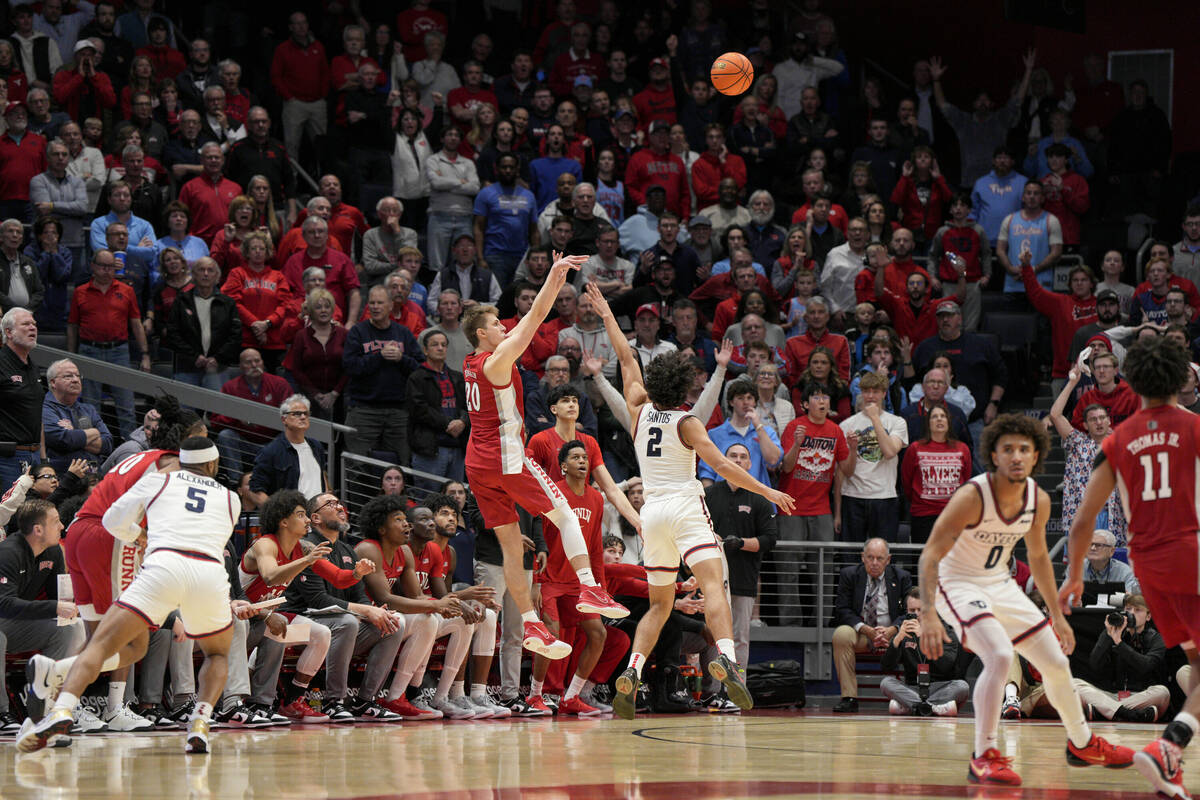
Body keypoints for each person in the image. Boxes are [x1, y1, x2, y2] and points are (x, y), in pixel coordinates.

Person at [586, 281, 795, 719]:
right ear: (683, 385)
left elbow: (626, 358)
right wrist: (768, 489)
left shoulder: (640, 408)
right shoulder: (688, 422)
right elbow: (724, 467)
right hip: (683, 507)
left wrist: (608, 315)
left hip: (653, 512)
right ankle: (729, 662)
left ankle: (636, 669)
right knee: (715, 583)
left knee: (660, 605)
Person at [919, 414, 1133, 785]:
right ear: (994, 455)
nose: (1016, 456)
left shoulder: (1038, 499)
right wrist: (928, 614)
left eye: (1024, 449)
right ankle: (984, 753)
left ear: (1036, 456)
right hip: (959, 585)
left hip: (1000, 582)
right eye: (1008, 450)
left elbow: (1037, 558)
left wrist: (1058, 614)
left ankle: (1082, 743)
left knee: (1054, 661)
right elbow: (930, 555)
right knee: (1001, 655)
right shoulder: (973, 495)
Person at [21, 437, 246, 754]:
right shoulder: (231, 498)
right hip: (205, 571)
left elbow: (116, 519)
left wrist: (140, 537)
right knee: (216, 653)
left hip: (101, 538)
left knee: (102, 641)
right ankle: (199, 723)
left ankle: (61, 707)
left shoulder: (157, 475)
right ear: (213, 465)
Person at [460, 251, 627, 663]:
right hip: (507, 457)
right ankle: (590, 586)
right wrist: (555, 275)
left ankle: (532, 622)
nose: (503, 328)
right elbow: (533, 320)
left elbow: (526, 322)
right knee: (567, 516)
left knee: (512, 550)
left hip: (477, 464)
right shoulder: (497, 361)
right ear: (482, 335)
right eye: (496, 325)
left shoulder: (469, 363)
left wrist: (554, 279)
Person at [1061, 337, 1200, 797]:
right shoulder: (1195, 427)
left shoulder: (1119, 438)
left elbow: (1083, 520)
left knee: (1197, 665)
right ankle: (1169, 746)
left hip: (1147, 566)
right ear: (1181, 380)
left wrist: (1074, 576)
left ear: (1131, 382)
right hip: (1189, 553)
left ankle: (1170, 765)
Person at [0, 497, 85, 732]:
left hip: (18, 624)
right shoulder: (8, 552)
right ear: (38, 529)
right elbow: (3, 603)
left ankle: (50, 708)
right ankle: (1, 712)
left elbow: (61, 597)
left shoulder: (54, 551)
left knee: (69, 628)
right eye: (56, 522)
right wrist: (53, 607)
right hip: (3, 620)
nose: (62, 527)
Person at [777, 382, 855, 625]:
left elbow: (848, 471)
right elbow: (786, 467)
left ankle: (820, 623)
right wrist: (799, 444)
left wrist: (852, 449)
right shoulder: (794, 427)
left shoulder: (835, 430)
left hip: (822, 510)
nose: (822, 401)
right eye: (817, 397)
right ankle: (790, 625)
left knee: (822, 571)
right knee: (788, 570)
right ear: (806, 404)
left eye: (825, 397)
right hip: (790, 508)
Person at [704, 443, 777, 670]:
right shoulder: (708, 494)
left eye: (742, 457)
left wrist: (741, 543)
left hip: (744, 578)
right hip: (710, 579)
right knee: (710, 637)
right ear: (722, 460)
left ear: (749, 463)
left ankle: (736, 692)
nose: (737, 460)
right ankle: (711, 692)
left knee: (740, 639)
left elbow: (769, 540)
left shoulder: (760, 497)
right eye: (732, 456)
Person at [830, 537, 911, 713]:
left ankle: (913, 697)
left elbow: (909, 612)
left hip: (892, 637)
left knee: (914, 633)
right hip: (862, 634)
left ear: (888, 559)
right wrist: (866, 630)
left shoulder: (902, 577)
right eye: (870, 557)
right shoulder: (849, 575)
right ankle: (849, 697)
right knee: (841, 634)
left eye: (880, 558)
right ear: (862, 557)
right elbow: (842, 610)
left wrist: (892, 631)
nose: (874, 563)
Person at [342, 285, 422, 461]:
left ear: (391, 306)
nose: (375, 307)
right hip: (364, 411)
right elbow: (350, 367)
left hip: (398, 412)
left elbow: (420, 369)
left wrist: (402, 358)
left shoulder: (403, 333)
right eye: (372, 303)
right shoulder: (358, 332)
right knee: (359, 465)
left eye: (380, 303)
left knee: (401, 465)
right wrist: (379, 357)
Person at [1076, 593, 1169, 723]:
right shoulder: (1112, 632)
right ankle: (1130, 714)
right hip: (1112, 695)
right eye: (1128, 609)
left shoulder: (1155, 638)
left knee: (1162, 692)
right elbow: (1094, 664)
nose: (1131, 614)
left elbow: (1145, 666)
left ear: (1148, 616)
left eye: (1138, 610)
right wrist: (1108, 636)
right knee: (1075, 684)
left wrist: (1119, 644)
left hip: (1141, 697)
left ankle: (1104, 712)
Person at [839, 371, 908, 543]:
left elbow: (890, 452)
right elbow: (845, 471)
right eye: (867, 391)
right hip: (853, 496)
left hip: (885, 496)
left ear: (884, 394)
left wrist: (875, 418)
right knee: (851, 555)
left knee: (883, 553)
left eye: (876, 391)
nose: (871, 396)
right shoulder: (846, 425)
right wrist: (853, 450)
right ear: (861, 393)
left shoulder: (897, 422)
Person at [881, 588, 968, 716]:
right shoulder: (904, 631)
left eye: (920, 610)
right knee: (886, 683)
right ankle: (932, 707)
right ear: (906, 611)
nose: (916, 614)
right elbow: (886, 667)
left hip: (940, 687)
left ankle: (910, 707)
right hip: (913, 688)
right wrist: (896, 640)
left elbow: (946, 665)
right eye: (912, 610)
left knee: (962, 686)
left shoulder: (946, 631)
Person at [900, 402, 972, 544]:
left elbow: (966, 479)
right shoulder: (915, 448)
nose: (939, 419)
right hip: (923, 515)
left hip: (954, 514)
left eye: (943, 416)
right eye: (934, 417)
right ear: (928, 423)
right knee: (923, 562)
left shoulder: (962, 448)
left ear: (948, 422)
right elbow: (906, 482)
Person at [406, 329, 468, 489]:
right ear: (425, 350)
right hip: (430, 449)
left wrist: (462, 421)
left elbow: (469, 407)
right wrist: (449, 424)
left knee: (455, 502)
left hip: (457, 447)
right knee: (428, 500)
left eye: (443, 345)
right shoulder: (417, 377)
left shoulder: (457, 377)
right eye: (435, 345)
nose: (440, 348)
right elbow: (419, 410)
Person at [41, 358, 112, 472]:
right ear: (53, 382)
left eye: (78, 376)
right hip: (63, 478)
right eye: (68, 376)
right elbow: (63, 440)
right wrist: (94, 432)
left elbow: (107, 444)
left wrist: (74, 433)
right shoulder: (44, 408)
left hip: (93, 476)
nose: (75, 380)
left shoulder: (88, 409)